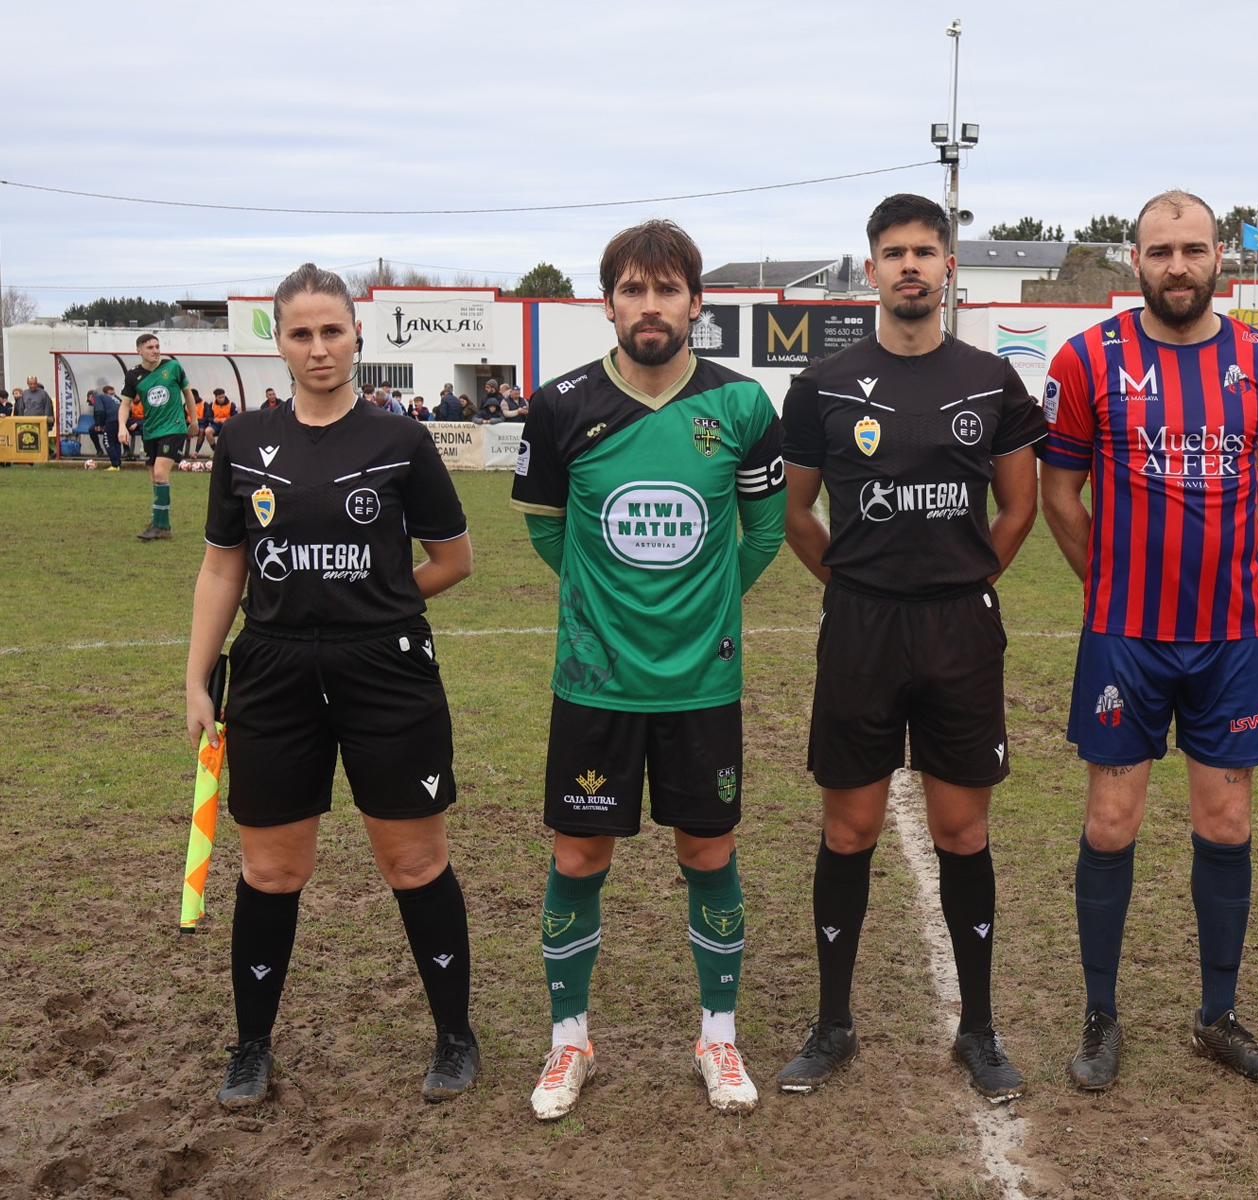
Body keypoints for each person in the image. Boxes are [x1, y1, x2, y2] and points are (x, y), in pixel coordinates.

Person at [510, 220, 787, 1120]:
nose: (651, 305)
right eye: (633, 289)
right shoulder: (561, 405)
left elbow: (766, 532)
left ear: (696, 302)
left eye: (668, 289)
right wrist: (607, 607)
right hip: (595, 680)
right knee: (578, 854)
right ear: (609, 304)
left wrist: (704, 608)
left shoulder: (741, 405)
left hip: (702, 684)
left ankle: (718, 1035)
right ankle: (569, 1041)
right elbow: (548, 530)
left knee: (708, 851)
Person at [185, 262, 477, 1111]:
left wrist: (378, 601)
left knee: (414, 862)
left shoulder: (402, 441)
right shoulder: (243, 441)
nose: (319, 348)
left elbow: (454, 560)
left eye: (332, 331)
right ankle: (251, 1047)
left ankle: (455, 1036)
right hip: (272, 673)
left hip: (386, 671)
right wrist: (197, 676)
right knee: (272, 869)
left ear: (357, 336)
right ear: (278, 344)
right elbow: (223, 567)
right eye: (301, 333)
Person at [775, 193, 1045, 1103]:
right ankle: (832, 1024)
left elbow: (1019, 508)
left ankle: (979, 1028)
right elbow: (797, 514)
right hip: (861, 628)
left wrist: (964, 579)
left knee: (961, 829)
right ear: (871, 270)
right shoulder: (822, 385)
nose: (910, 267)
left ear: (948, 266)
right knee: (847, 828)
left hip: (959, 629)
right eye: (893, 253)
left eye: (924, 251)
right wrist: (855, 585)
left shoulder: (991, 381)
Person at [1039, 189, 1258, 1091]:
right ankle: (1101, 1014)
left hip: (1230, 636)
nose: (1177, 266)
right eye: (1160, 251)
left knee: (1226, 822)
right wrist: (1108, 582)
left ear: (1219, 255)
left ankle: (1217, 1016)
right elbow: (1059, 495)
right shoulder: (1086, 360)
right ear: (1136, 260)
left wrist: (1238, 547)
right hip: (1126, 637)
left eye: (1192, 249)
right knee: (1111, 822)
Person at [121, 333, 201, 539]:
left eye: (157, 346)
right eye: (150, 347)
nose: (155, 351)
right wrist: (122, 426)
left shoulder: (172, 366)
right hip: (151, 431)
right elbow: (125, 404)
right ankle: (162, 526)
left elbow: (188, 393)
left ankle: (159, 525)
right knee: (155, 479)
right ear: (139, 351)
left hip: (174, 427)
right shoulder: (133, 375)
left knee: (160, 473)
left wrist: (194, 421)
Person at [89, 385, 123, 469]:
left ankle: (115, 465)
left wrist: (99, 425)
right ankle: (118, 464)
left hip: (111, 419)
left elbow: (100, 411)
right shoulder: (108, 398)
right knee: (115, 442)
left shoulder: (94, 397)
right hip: (120, 418)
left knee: (108, 442)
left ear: (90, 397)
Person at [199, 388, 237, 454]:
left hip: (227, 424)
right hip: (215, 425)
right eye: (219, 397)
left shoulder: (231, 404)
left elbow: (235, 416)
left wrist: (226, 419)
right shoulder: (212, 405)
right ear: (216, 397)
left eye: (223, 397)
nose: (221, 399)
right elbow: (208, 417)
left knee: (229, 434)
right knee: (207, 431)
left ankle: (228, 451)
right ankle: (216, 451)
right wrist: (213, 420)